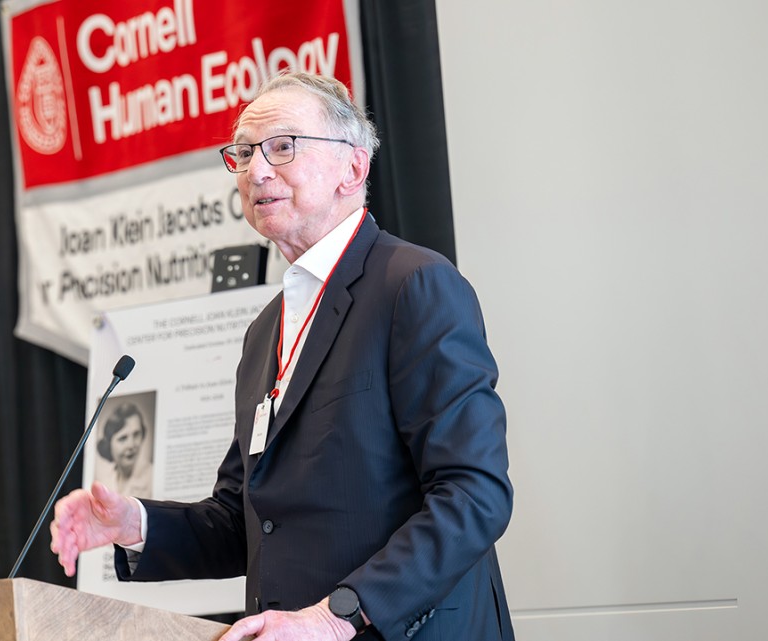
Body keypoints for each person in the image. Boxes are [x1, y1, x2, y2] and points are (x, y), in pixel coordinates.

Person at [51, 72, 514, 641]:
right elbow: (243, 521)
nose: (257, 170)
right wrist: (136, 524)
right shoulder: (265, 329)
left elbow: (474, 495)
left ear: (354, 167)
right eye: (244, 153)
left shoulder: (414, 287)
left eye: (282, 147)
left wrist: (335, 616)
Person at [95, 402, 152, 497]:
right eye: (123, 438)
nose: (131, 445)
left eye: (136, 434)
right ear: (109, 444)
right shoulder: (103, 484)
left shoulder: (152, 477)